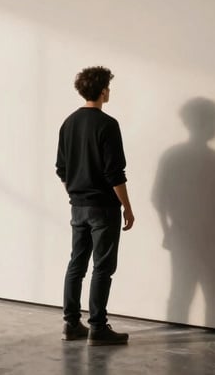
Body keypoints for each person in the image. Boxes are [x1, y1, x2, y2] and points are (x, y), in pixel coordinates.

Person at [56, 66, 135, 346]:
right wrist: (127, 206)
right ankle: (98, 328)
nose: (109, 92)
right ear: (103, 91)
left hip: (77, 206)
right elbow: (115, 173)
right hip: (103, 208)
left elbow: (61, 169)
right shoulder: (107, 125)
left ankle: (70, 324)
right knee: (102, 267)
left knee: (76, 264)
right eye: (108, 88)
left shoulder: (69, 123)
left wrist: (76, 195)